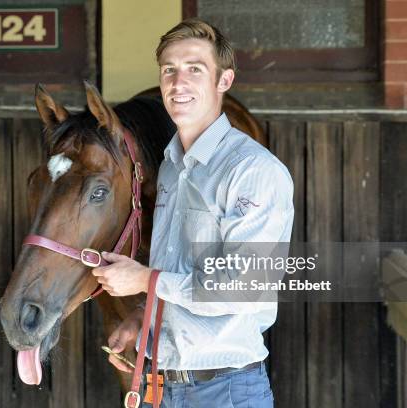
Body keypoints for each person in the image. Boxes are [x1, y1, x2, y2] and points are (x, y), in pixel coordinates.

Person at [91, 18, 294, 408]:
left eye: (194, 69)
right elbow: (180, 267)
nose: (178, 82)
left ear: (224, 81)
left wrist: (146, 280)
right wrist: (142, 317)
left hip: (225, 391)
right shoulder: (170, 167)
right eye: (169, 70)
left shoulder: (254, 171)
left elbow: (242, 286)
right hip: (163, 387)